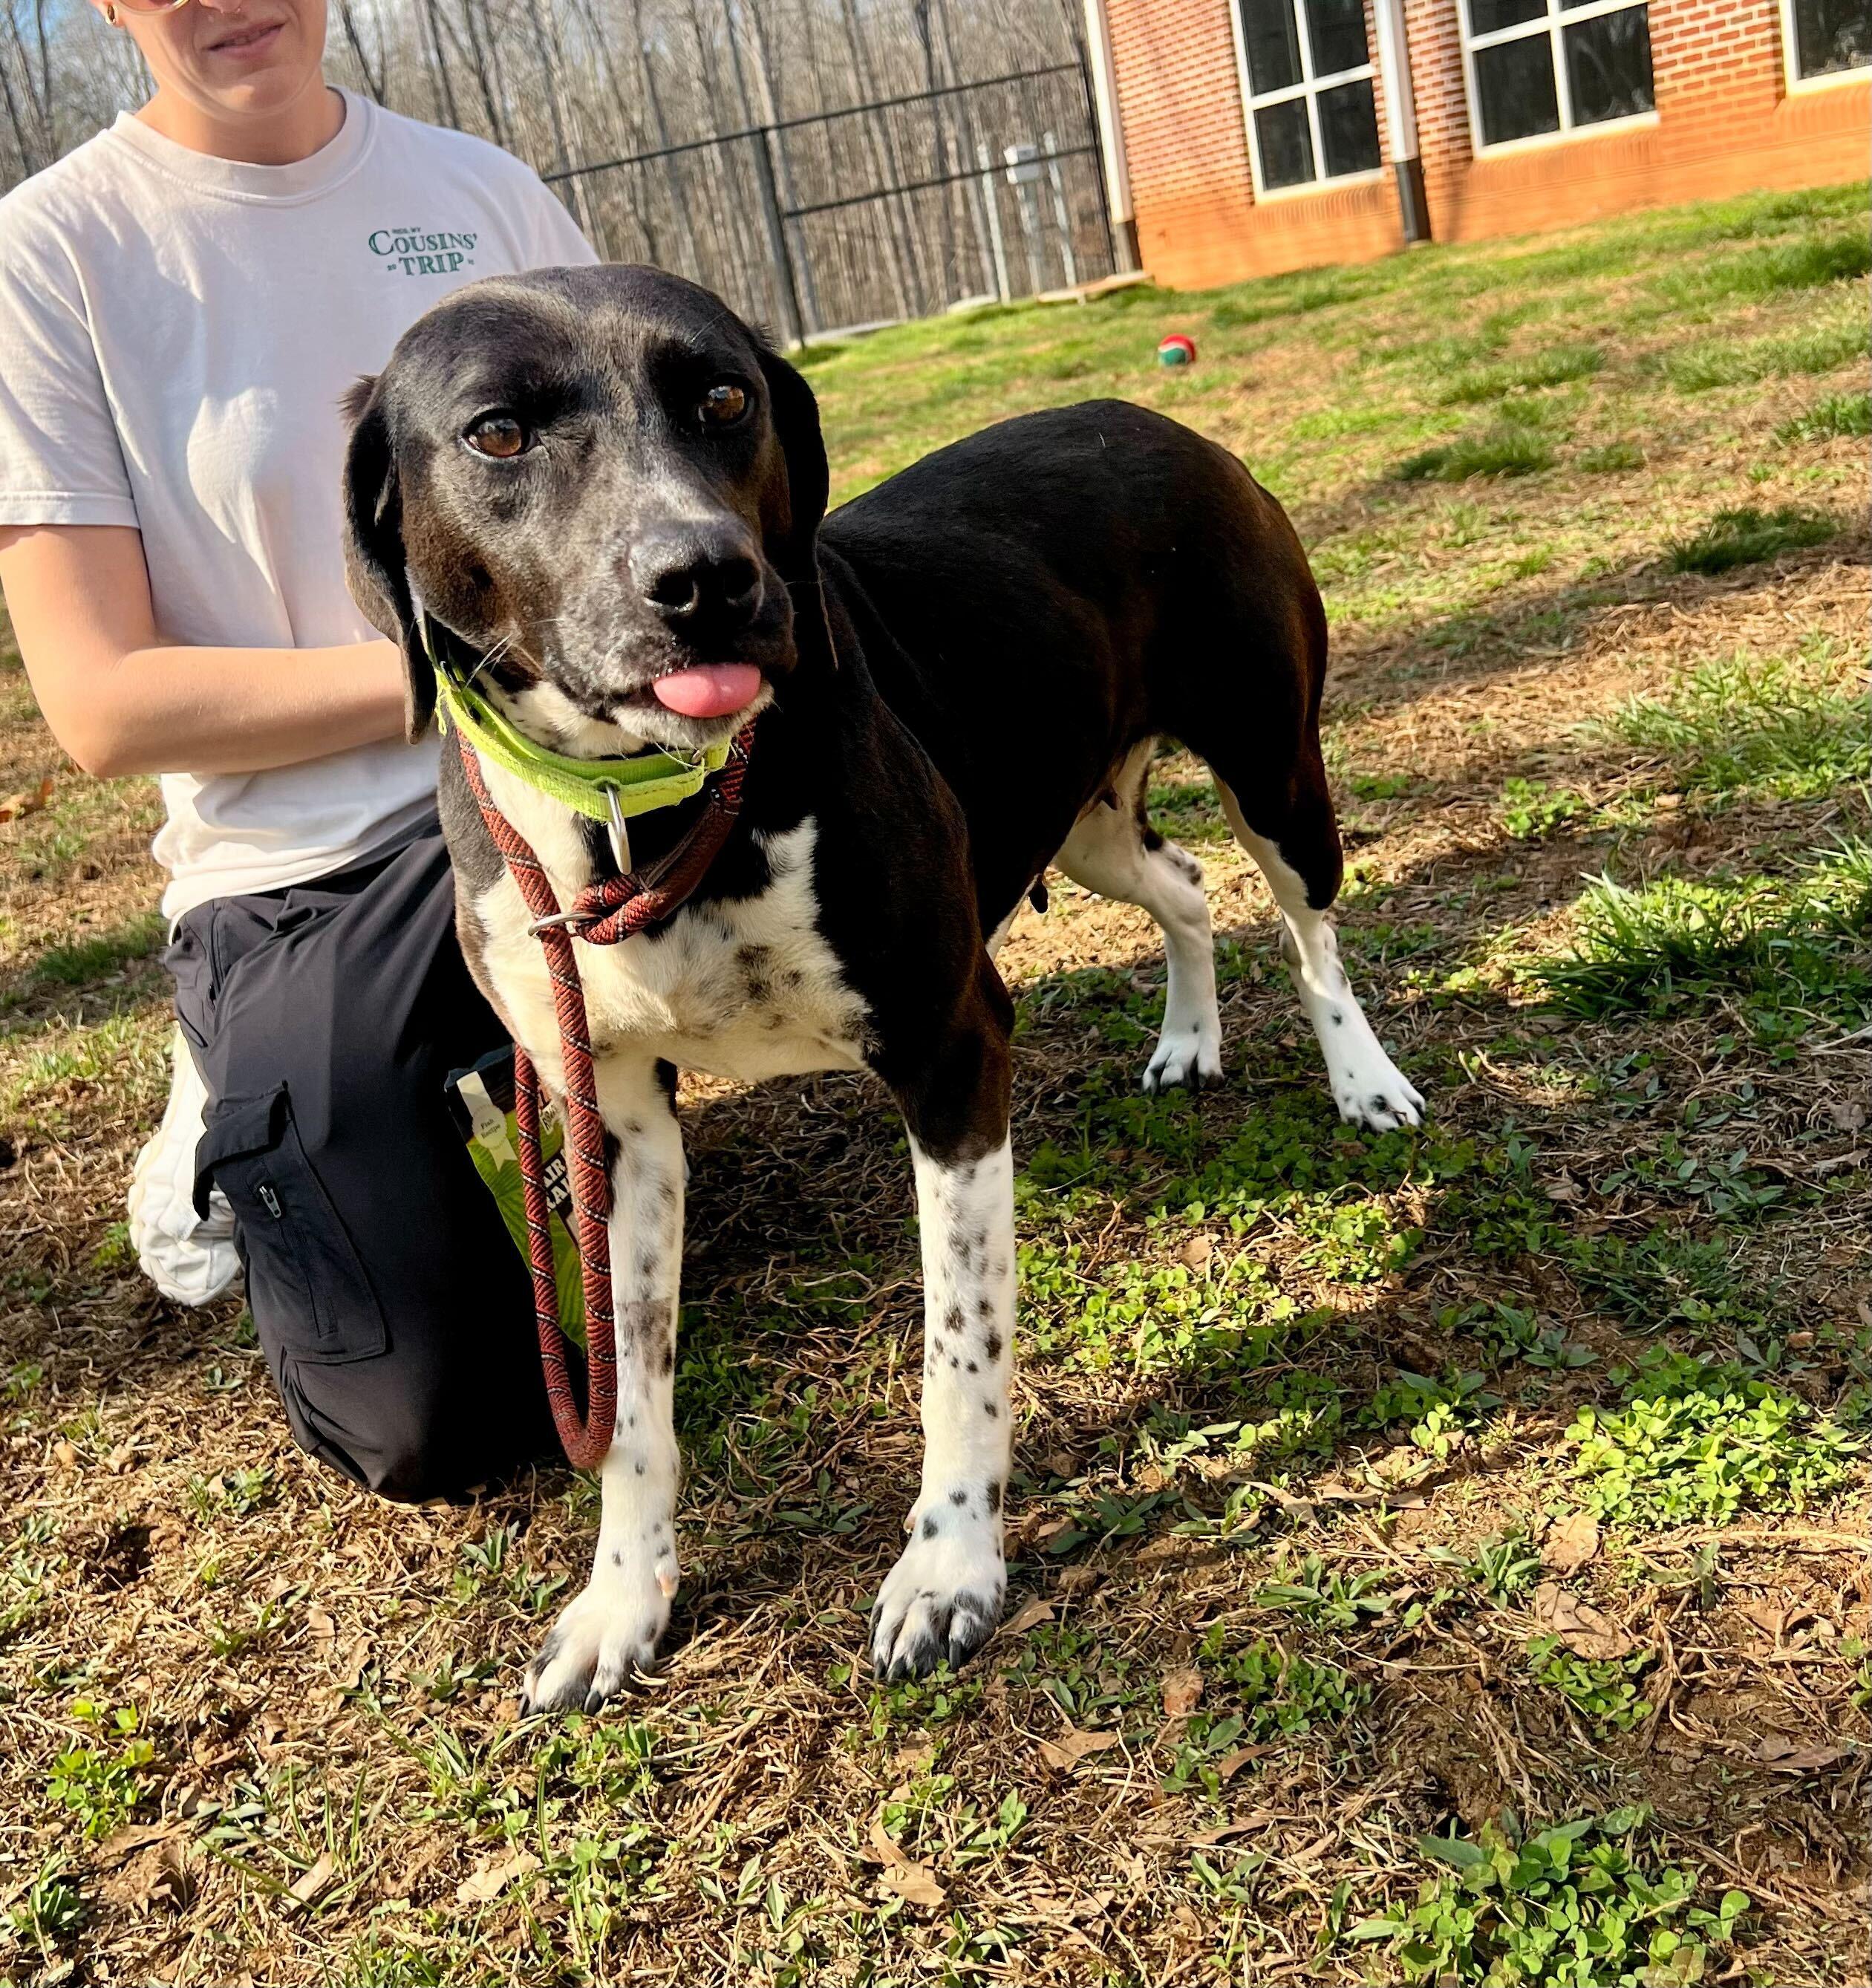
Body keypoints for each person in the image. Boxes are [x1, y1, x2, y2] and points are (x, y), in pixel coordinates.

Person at [0, 0, 599, 1496]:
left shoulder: (482, 195)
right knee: (430, 1417)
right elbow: (103, 704)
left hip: (569, 773)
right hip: (311, 863)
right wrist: (450, 676)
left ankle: (532, 1065)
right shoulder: (53, 256)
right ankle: (241, 1084)